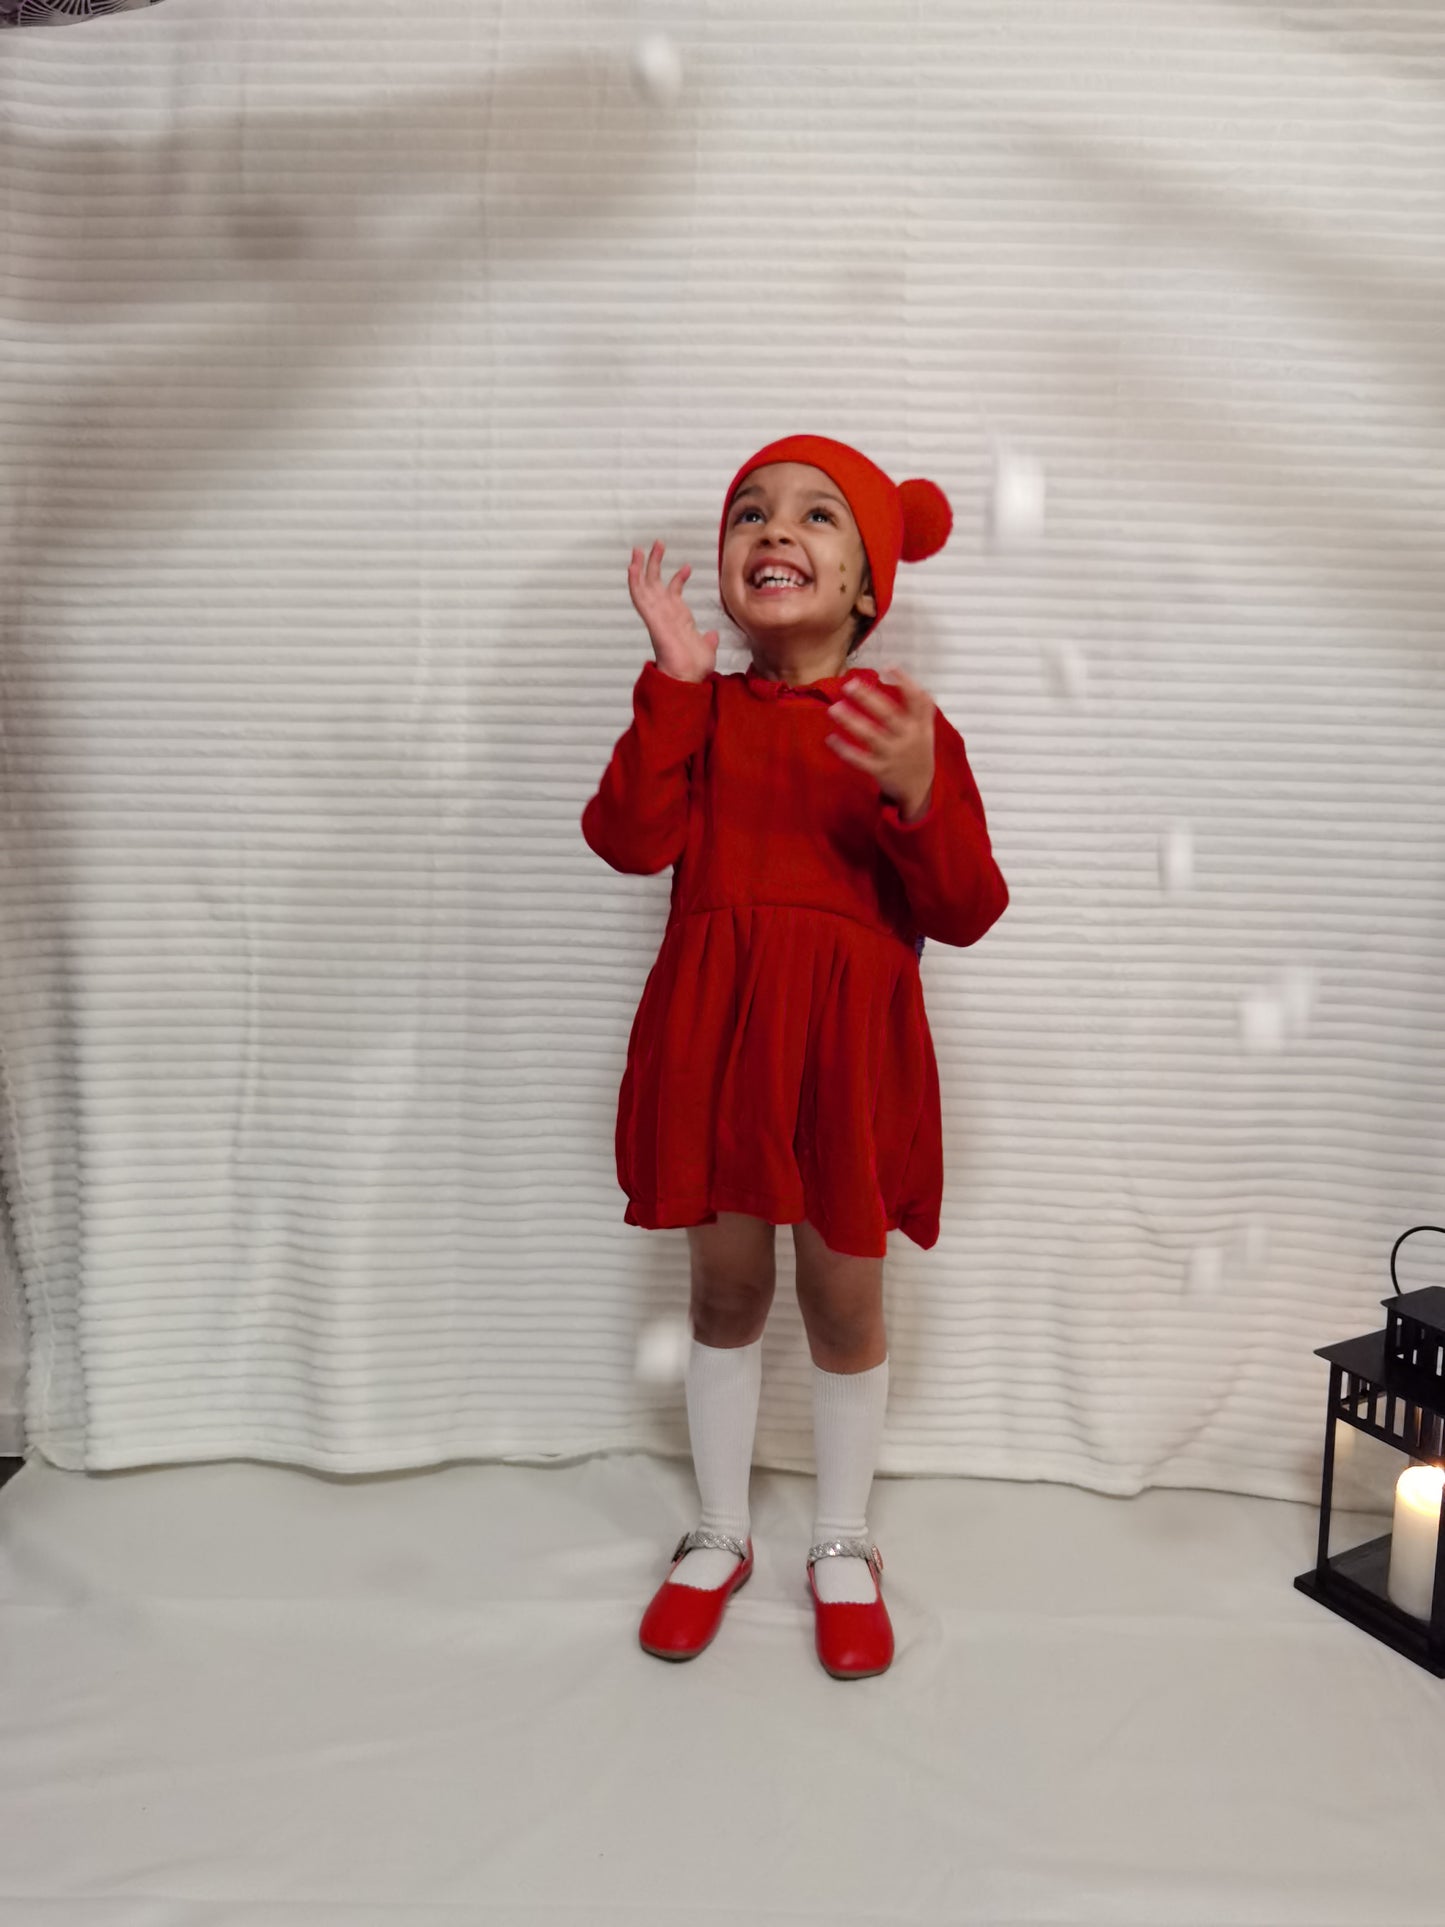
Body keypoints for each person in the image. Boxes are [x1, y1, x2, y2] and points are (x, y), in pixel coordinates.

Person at [582, 435, 1008, 1679]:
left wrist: (920, 788)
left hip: (841, 1063)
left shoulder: (904, 727)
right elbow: (626, 836)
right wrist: (668, 682)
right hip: (714, 1046)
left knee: (840, 1300)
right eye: (749, 515)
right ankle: (717, 1530)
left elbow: (967, 907)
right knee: (722, 1295)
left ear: (869, 584)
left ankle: (839, 1541)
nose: (775, 532)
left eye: (818, 517)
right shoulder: (698, 713)